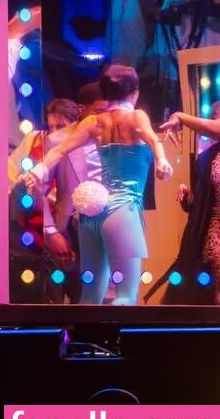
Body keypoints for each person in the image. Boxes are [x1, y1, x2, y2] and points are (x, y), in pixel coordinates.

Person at [21, 64, 174, 304]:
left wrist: (37, 170)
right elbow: (153, 139)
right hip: (122, 211)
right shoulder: (136, 116)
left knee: (90, 297)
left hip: (92, 216)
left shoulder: (93, 122)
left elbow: (60, 150)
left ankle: (85, 330)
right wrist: (162, 161)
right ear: (134, 92)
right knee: (126, 295)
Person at [8, 98, 102, 303]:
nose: (54, 131)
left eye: (60, 126)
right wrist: (51, 232)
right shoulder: (42, 143)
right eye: (51, 126)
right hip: (54, 231)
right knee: (55, 295)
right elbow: (25, 181)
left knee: (90, 294)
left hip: (90, 229)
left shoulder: (101, 143)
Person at [153, 107, 220, 304]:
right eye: (215, 118)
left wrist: (179, 116)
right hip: (216, 232)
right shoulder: (207, 158)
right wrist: (188, 199)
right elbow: (199, 207)